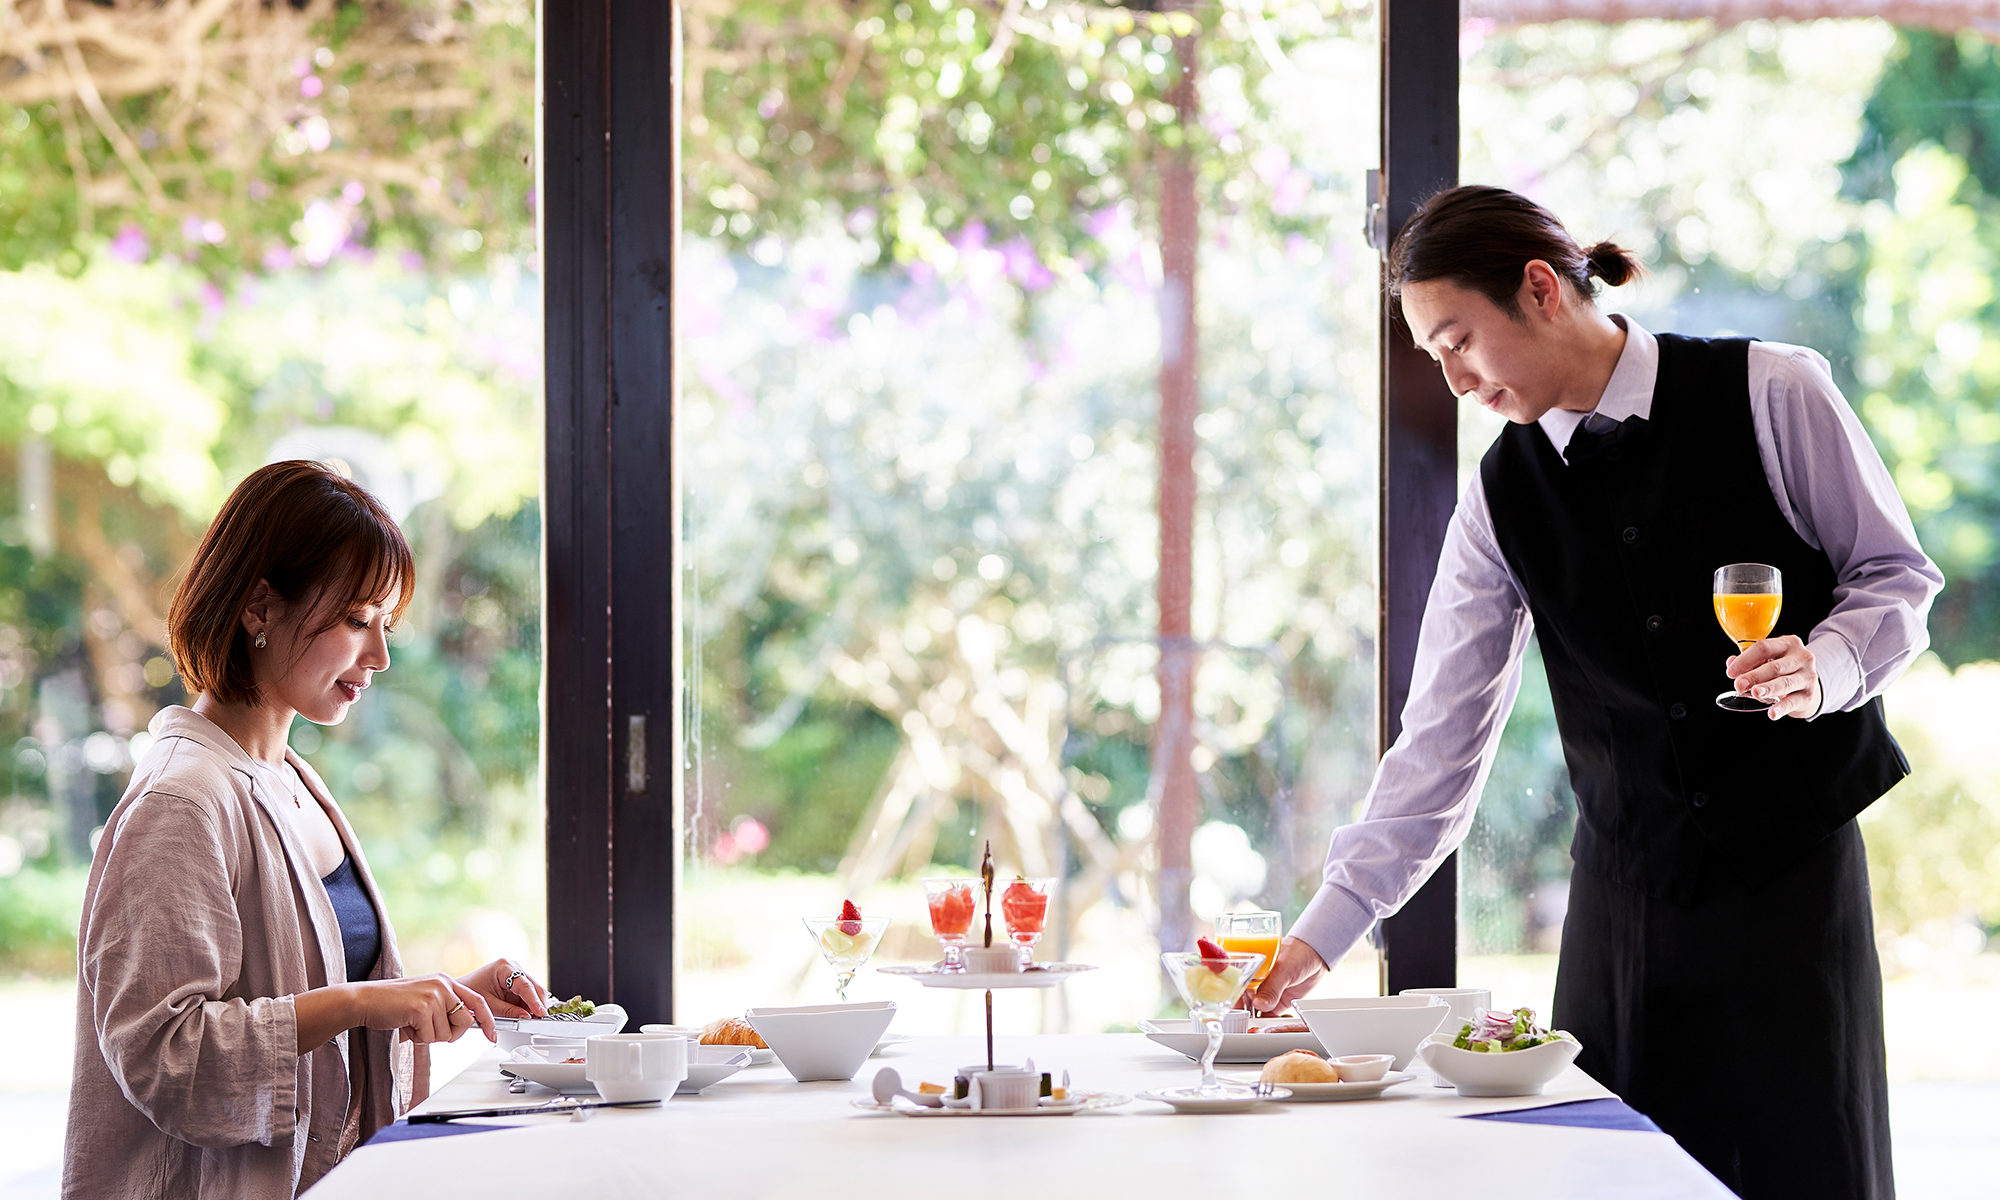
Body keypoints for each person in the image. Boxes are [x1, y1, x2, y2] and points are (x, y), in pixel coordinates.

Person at [1249, 186, 1941, 1200]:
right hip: (1622, 917)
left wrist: (1825, 666)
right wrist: (1325, 931)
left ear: (1539, 288)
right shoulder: (1498, 497)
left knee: (1805, 1174)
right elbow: (1440, 737)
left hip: (1789, 897)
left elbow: (1894, 577)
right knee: (1612, 1180)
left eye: (1458, 342)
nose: (1453, 381)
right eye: (1434, 358)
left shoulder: (1771, 390)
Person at [63, 461, 556, 1199]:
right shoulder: (181, 801)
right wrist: (360, 1003)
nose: (379, 657)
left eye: (386, 625)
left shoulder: (289, 778)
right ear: (260, 607)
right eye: (357, 620)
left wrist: (435, 996)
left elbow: (302, 990)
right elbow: (164, 1057)